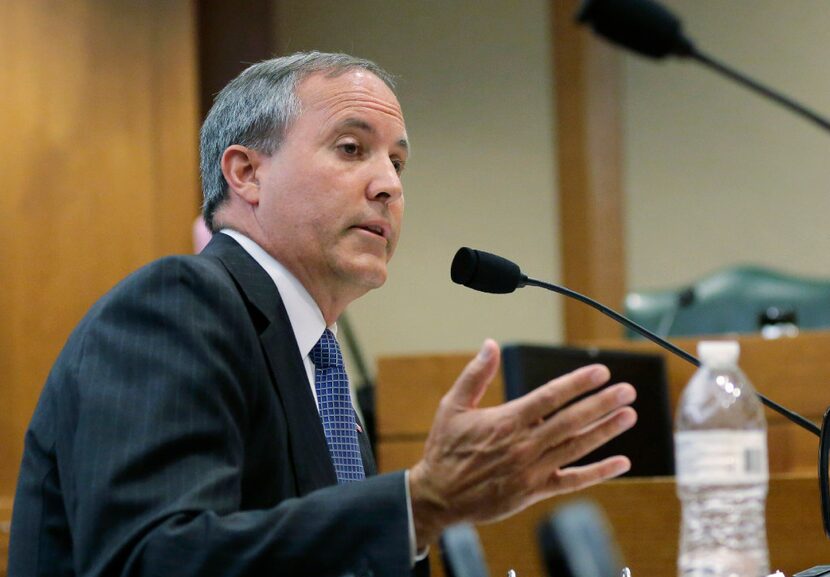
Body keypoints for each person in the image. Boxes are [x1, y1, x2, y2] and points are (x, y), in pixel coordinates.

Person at [9, 51, 637, 577]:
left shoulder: (316, 357)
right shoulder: (177, 304)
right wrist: (415, 504)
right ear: (247, 173)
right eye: (350, 148)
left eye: (397, 161)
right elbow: (148, 561)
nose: (388, 184)